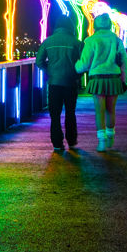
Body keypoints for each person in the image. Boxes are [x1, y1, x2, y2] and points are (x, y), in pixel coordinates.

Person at [75, 14, 127, 152]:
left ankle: (101, 141)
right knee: (111, 110)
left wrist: (76, 67)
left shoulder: (91, 40)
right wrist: (126, 80)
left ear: (95, 25)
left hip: (97, 79)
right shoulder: (117, 40)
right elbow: (124, 63)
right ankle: (111, 135)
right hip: (114, 78)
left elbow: (84, 64)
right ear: (109, 25)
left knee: (99, 111)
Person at [35, 16, 83, 152]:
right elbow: (84, 64)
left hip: (54, 83)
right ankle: (72, 140)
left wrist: (49, 71)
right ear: (71, 26)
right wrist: (76, 75)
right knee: (70, 113)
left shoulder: (48, 41)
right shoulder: (77, 43)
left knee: (54, 115)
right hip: (71, 83)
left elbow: (39, 62)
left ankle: (57, 143)